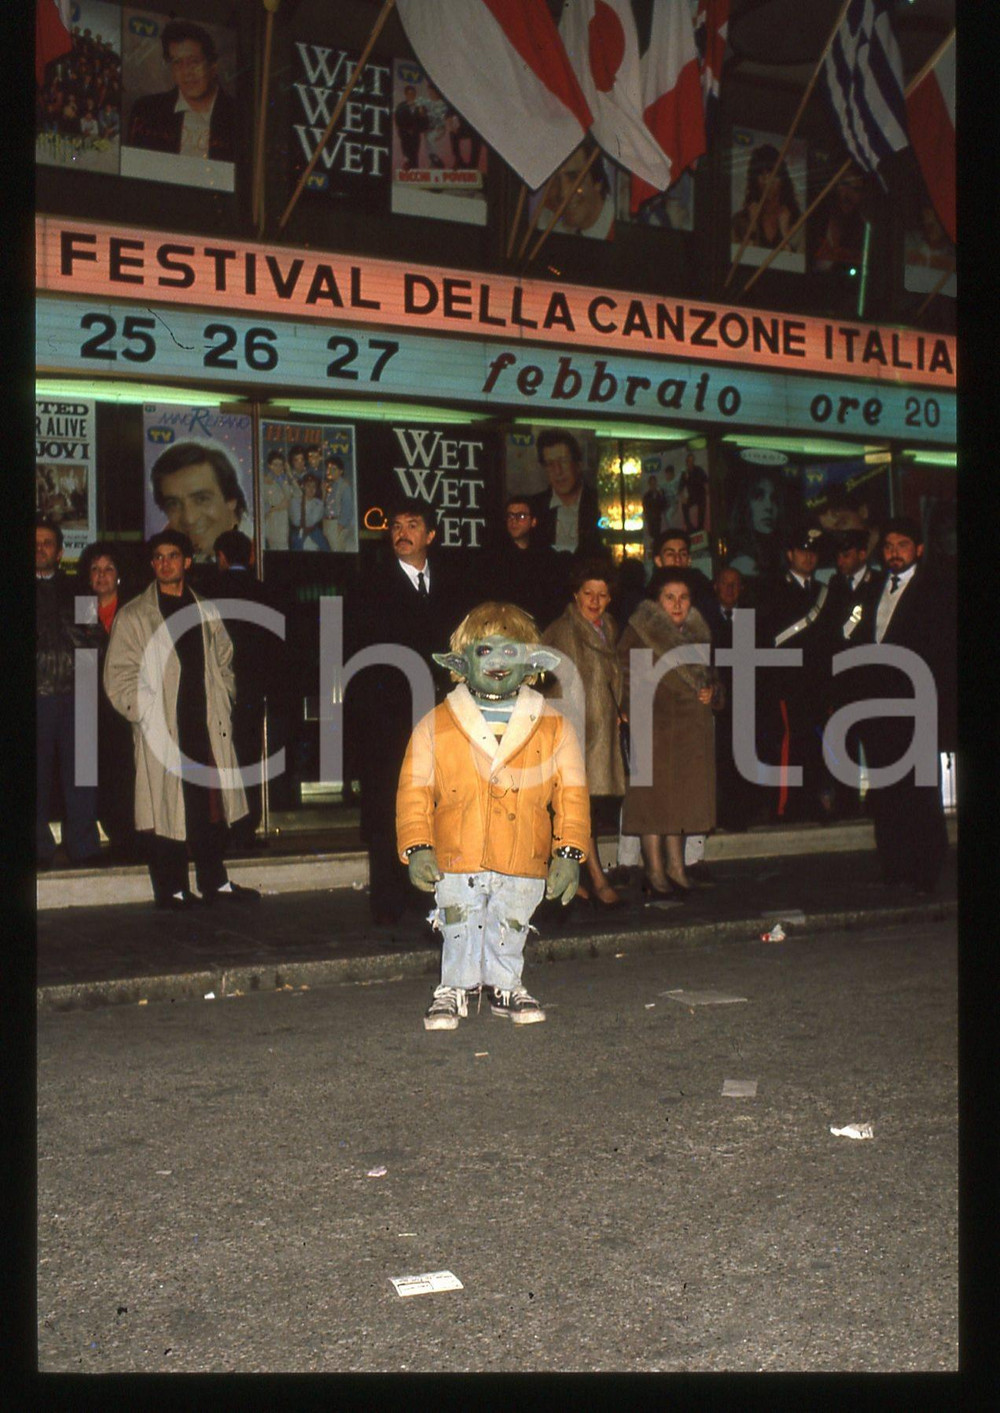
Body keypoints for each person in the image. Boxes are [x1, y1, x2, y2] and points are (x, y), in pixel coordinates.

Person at [397, 602, 589, 1029]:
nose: (498, 663)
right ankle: (454, 986)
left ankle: (506, 983)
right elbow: (414, 790)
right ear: (462, 663)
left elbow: (572, 794)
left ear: (531, 665)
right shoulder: (436, 724)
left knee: (511, 918)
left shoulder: (554, 726)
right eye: (484, 652)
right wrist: (418, 846)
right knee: (458, 920)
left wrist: (569, 853)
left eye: (510, 652)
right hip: (456, 852)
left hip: (523, 853)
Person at [103, 528, 259, 909]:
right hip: (163, 726)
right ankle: (171, 889)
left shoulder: (205, 609)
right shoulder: (135, 614)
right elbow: (118, 674)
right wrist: (145, 710)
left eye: (173, 556)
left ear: (187, 562)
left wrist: (226, 695)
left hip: (203, 725)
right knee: (166, 809)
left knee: (208, 808)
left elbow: (224, 659)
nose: (165, 563)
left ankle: (214, 882)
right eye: (158, 557)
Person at [345, 499, 467, 925]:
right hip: (388, 720)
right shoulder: (369, 586)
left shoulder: (451, 584)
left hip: (440, 717)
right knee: (387, 808)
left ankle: (431, 895)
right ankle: (390, 903)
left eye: (413, 525)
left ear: (430, 536)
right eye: (396, 526)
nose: (402, 533)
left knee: (437, 805)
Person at [849, 518, 954, 894]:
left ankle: (925, 870)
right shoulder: (873, 588)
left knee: (919, 791)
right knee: (885, 790)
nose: (895, 552)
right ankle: (894, 866)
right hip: (877, 709)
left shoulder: (936, 589)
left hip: (917, 706)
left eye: (903, 545)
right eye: (889, 545)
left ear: (919, 550)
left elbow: (943, 653)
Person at [618, 568, 721, 898]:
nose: (677, 604)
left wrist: (712, 692)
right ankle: (654, 871)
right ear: (656, 601)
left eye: (684, 597)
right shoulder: (640, 632)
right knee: (652, 804)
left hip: (689, 731)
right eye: (669, 597)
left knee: (679, 803)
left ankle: (676, 867)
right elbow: (626, 678)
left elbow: (713, 677)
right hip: (655, 727)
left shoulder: (697, 632)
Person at [541, 559, 626, 908]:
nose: (594, 600)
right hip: (574, 733)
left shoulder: (608, 626)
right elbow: (559, 687)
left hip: (601, 733)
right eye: (588, 593)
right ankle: (594, 876)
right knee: (577, 806)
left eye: (602, 594)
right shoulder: (564, 631)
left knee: (583, 807)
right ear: (576, 594)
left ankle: (571, 876)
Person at [213, 529, 287, 850]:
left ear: (221, 558)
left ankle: (224, 827)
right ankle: (248, 826)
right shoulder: (266, 593)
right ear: (252, 557)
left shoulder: (208, 594)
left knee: (219, 759)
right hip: (255, 687)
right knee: (249, 757)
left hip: (219, 687)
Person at [36, 517, 102, 869]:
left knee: (83, 775)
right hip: (37, 693)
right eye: (35, 542)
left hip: (79, 694)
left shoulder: (79, 591)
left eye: (47, 542)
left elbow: (93, 638)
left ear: (59, 552)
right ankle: (37, 846)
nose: (40, 548)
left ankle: (84, 845)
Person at [758, 523, 833, 823]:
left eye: (813, 551)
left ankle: (813, 800)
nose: (808, 557)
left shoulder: (824, 592)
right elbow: (766, 637)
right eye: (802, 551)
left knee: (816, 743)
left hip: (816, 680)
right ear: (790, 554)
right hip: (786, 681)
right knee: (789, 742)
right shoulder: (773, 589)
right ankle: (785, 805)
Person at [77, 541, 139, 862]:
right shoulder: (80, 610)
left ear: (119, 576)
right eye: (95, 570)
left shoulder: (132, 610)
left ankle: (127, 837)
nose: (101, 576)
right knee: (92, 775)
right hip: (90, 707)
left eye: (108, 569)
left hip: (124, 706)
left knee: (125, 774)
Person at [817, 528, 884, 819]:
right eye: (837, 556)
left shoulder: (878, 584)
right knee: (844, 742)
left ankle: (879, 801)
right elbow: (829, 637)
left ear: (861, 554)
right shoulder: (833, 587)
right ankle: (846, 804)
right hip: (843, 680)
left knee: (876, 742)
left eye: (846, 554)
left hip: (872, 677)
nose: (840, 561)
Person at [125, 20, 235, 163]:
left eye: (194, 61)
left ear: (213, 66)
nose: (186, 72)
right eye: (177, 62)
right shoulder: (146, 111)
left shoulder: (238, 117)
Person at [150, 441, 247, 562]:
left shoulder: (261, 548)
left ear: (231, 500)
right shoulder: (164, 554)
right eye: (174, 504)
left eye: (201, 499)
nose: (190, 519)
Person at [484, 495, 565, 629]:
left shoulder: (547, 558)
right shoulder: (493, 557)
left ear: (533, 521)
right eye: (510, 516)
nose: (514, 521)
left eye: (520, 516)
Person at [528, 430, 603, 558]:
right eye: (550, 464)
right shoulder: (534, 508)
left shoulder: (599, 502)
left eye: (563, 461)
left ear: (578, 464)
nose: (558, 471)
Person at [731, 143, 803, 252]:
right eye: (761, 174)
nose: (767, 181)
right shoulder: (740, 221)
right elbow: (738, 261)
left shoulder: (798, 222)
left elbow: (799, 265)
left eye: (772, 174)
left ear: (782, 179)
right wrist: (752, 230)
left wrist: (785, 235)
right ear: (754, 180)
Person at [538, 138, 615, 239]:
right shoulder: (545, 222)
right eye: (553, 181)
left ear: (598, 182)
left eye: (573, 177)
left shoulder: (620, 232)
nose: (563, 193)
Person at [727, 467, 786, 583]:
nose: (769, 506)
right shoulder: (744, 563)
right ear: (745, 505)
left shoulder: (778, 554)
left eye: (773, 499)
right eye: (759, 497)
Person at [651, 529, 715, 621]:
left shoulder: (703, 591)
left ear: (689, 560)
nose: (677, 559)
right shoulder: (649, 595)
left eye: (683, 554)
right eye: (670, 554)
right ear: (658, 561)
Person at [289, 472, 330, 552]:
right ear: (303, 487)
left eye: (314, 487)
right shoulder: (295, 502)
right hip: (299, 535)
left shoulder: (318, 503)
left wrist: (324, 495)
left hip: (314, 533)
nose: (311, 489)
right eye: (308, 486)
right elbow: (297, 521)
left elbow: (314, 520)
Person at [322, 456, 355, 553]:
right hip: (327, 523)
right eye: (329, 469)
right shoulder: (329, 485)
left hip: (336, 524)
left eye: (334, 469)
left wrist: (340, 526)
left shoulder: (344, 487)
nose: (331, 472)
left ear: (341, 471)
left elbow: (347, 508)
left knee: (337, 551)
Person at [262, 450, 293, 551]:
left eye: (280, 465)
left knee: (283, 548)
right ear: (269, 465)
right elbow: (263, 505)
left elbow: (289, 500)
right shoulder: (264, 482)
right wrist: (275, 508)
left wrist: (288, 475)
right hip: (271, 521)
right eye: (275, 465)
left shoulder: (283, 481)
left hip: (282, 521)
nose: (278, 468)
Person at [394, 84, 428, 170]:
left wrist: (422, 114)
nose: (411, 95)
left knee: (415, 152)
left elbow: (425, 121)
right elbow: (398, 119)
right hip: (405, 133)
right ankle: (407, 165)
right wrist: (404, 129)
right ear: (406, 95)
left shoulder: (420, 106)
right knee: (406, 152)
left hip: (415, 133)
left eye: (413, 93)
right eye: (409, 94)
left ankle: (415, 169)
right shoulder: (401, 106)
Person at [679, 450, 709, 533]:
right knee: (684, 506)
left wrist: (706, 490)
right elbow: (681, 487)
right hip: (692, 495)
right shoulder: (684, 473)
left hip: (701, 494)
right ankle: (689, 526)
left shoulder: (699, 470)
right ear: (687, 462)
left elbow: (705, 480)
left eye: (692, 461)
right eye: (689, 461)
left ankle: (700, 527)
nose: (690, 463)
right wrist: (683, 497)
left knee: (702, 508)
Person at [642, 474, 667, 545]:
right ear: (649, 485)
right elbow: (646, 508)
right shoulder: (646, 496)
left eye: (654, 483)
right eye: (651, 484)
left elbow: (664, 506)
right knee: (652, 538)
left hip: (658, 520)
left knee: (658, 538)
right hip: (651, 521)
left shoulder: (660, 495)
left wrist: (661, 497)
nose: (653, 485)